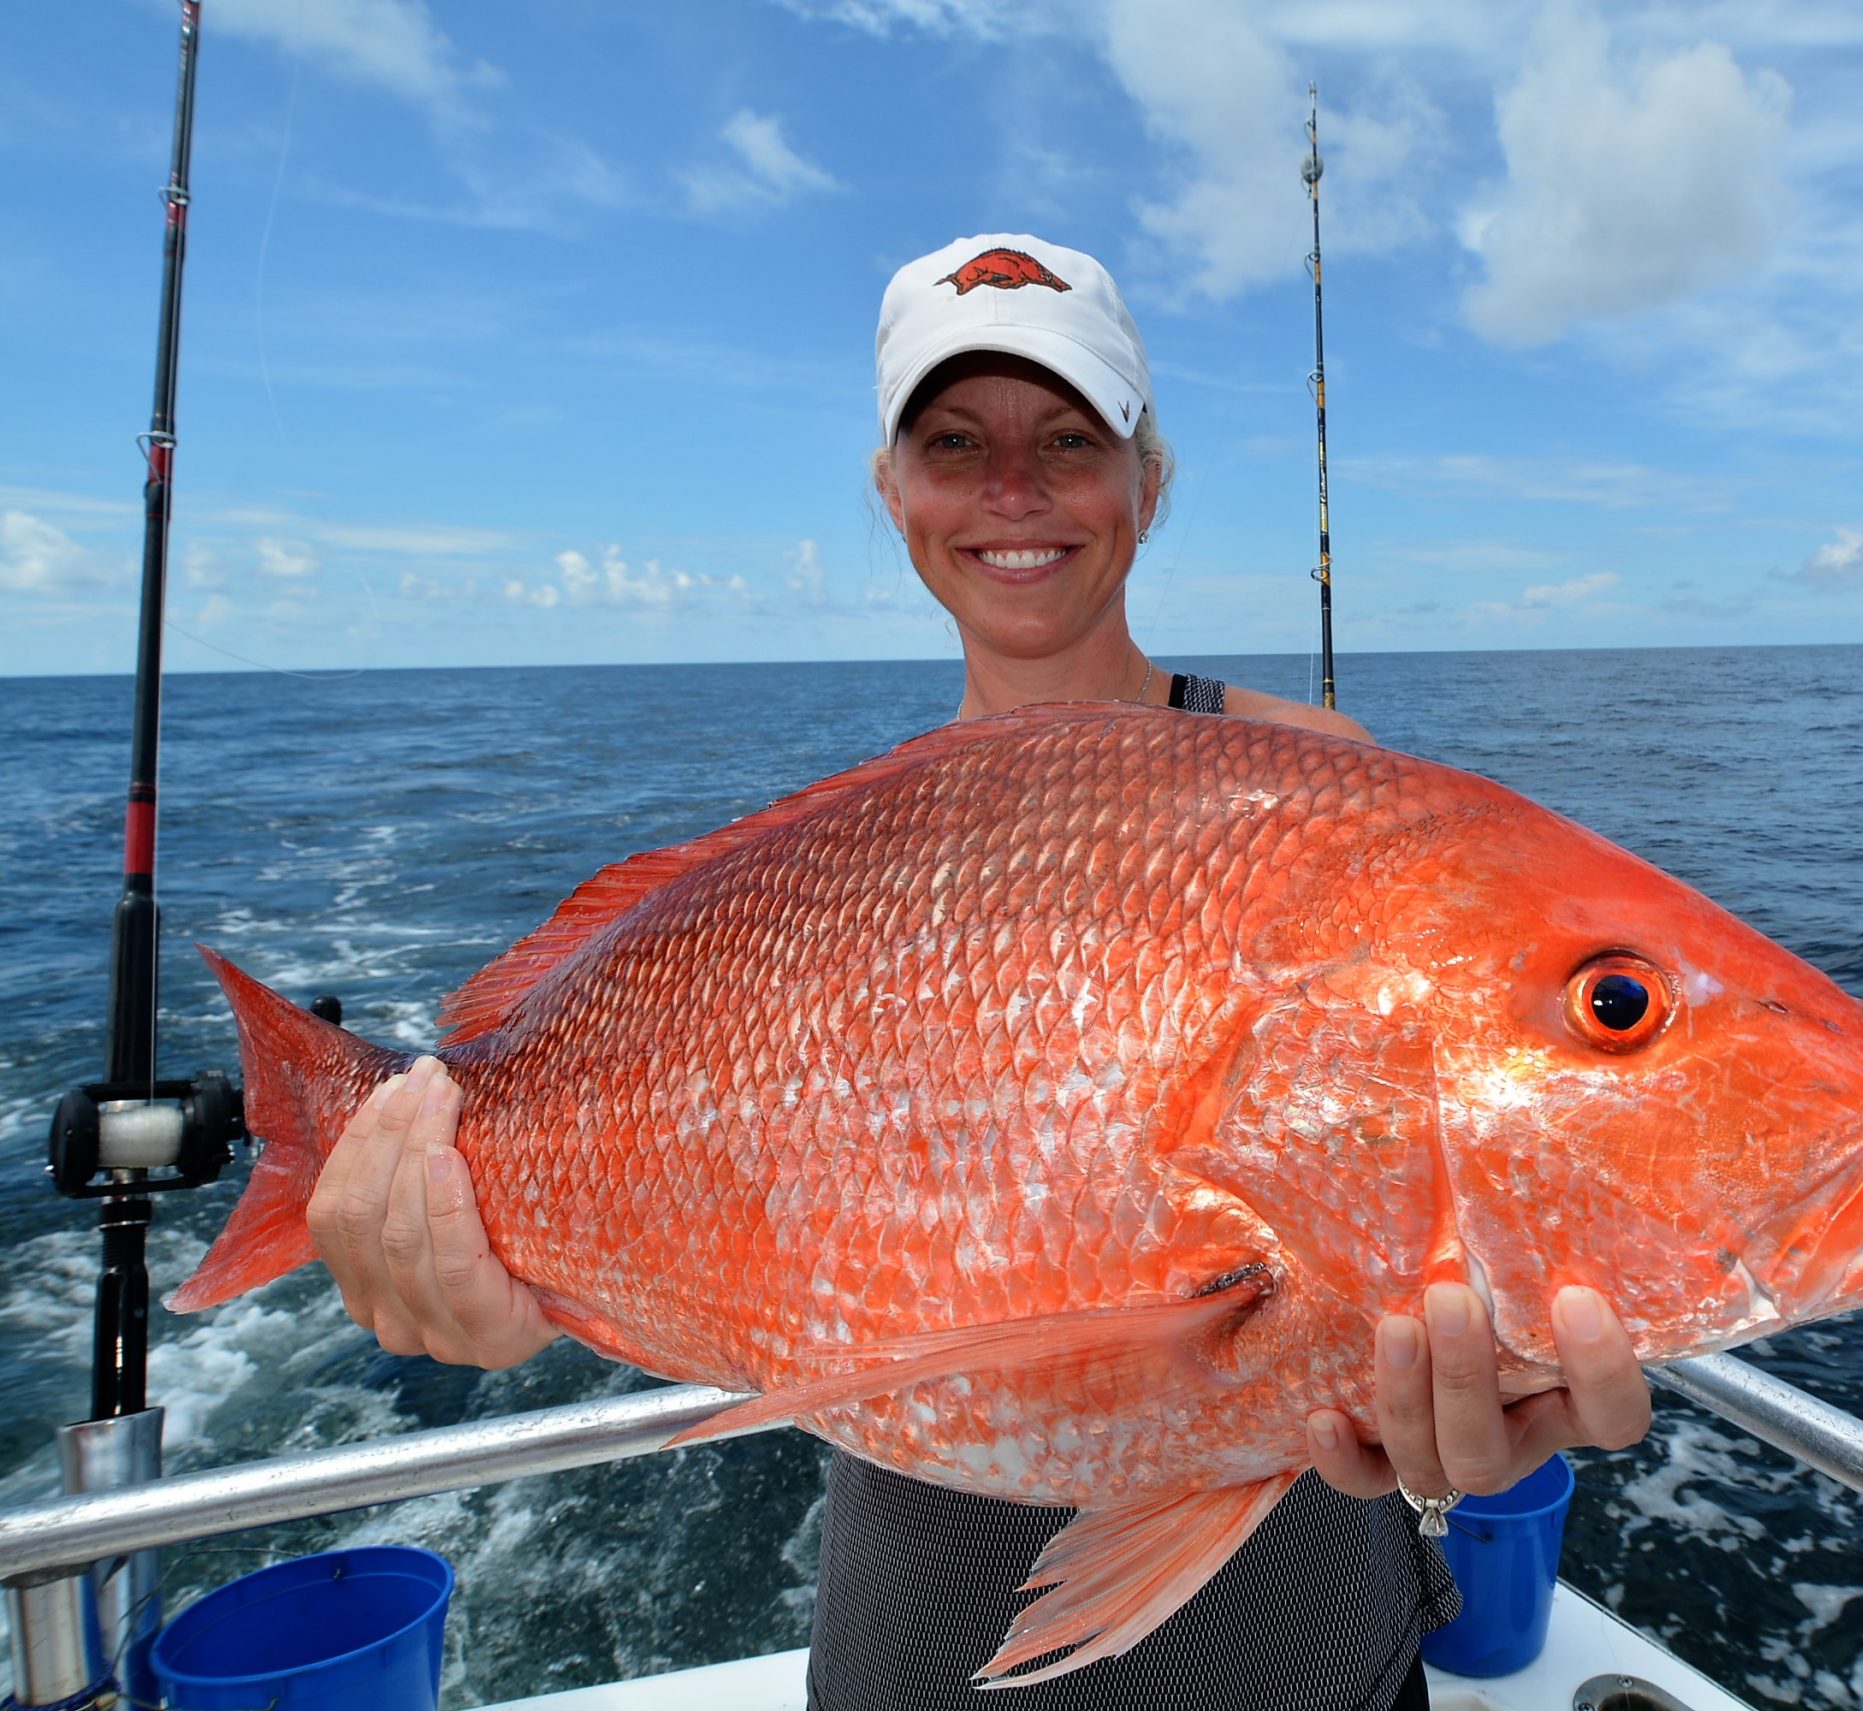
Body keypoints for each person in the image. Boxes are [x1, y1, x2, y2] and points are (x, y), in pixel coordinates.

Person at [307, 232, 1654, 1710]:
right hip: (925, 1652)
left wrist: (1499, 1387)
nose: (1014, 490)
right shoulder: (831, 870)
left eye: (1069, 440)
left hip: (1315, 1653)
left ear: (1149, 478)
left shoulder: (1326, 796)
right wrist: (506, 1281)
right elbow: (691, 1250)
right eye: (956, 444)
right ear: (894, 494)